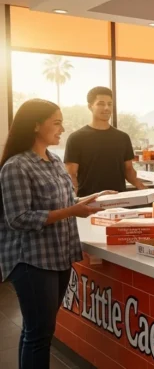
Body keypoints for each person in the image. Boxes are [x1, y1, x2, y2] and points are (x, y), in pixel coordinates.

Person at [1, 99, 111, 369]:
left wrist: (93, 198)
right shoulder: (16, 166)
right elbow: (18, 218)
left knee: (38, 330)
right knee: (39, 334)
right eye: (57, 122)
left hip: (58, 256)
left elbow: (65, 202)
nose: (62, 128)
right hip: (31, 261)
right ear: (36, 125)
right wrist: (73, 210)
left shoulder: (54, 160)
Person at [64, 86, 145, 196]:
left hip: (120, 203)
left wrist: (144, 188)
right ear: (90, 106)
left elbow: (129, 170)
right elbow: (71, 174)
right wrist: (73, 202)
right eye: (101, 104)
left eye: (110, 104)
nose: (106, 108)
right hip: (89, 204)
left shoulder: (123, 137)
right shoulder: (76, 138)